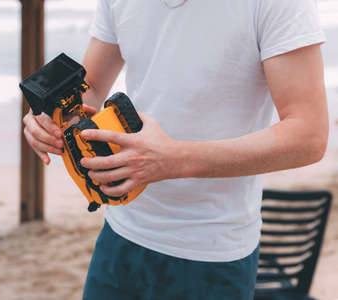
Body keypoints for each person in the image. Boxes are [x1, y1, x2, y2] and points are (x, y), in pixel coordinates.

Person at [23, 0, 329, 299]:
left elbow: (308, 136)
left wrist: (172, 160)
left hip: (213, 252)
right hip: (120, 235)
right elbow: (87, 90)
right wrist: (50, 116)